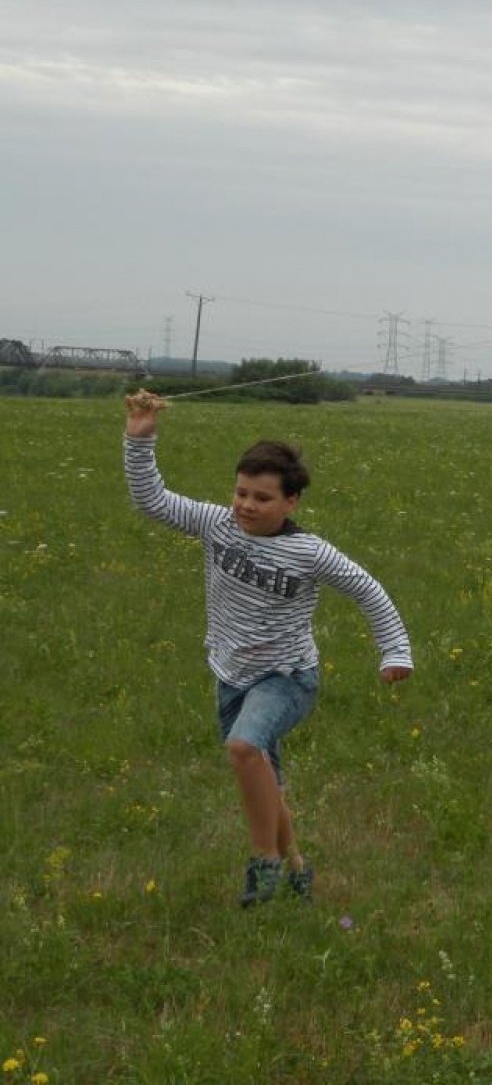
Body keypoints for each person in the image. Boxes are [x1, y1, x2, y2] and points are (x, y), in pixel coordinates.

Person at [122, 389, 413, 907]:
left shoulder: (308, 552)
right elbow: (152, 501)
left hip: (287, 677)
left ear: (290, 502)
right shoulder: (216, 524)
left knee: (243, 748)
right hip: (230, 672)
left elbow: (368, 589)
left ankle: (263, 864)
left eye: (261, 498)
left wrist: (395, 651)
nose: (246, 506)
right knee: (264, 780)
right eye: (240, 493)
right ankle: (299, 867)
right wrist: (140, 439)